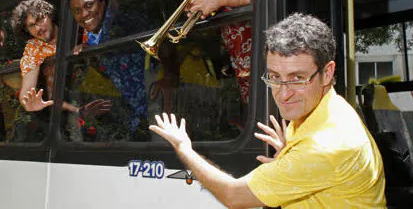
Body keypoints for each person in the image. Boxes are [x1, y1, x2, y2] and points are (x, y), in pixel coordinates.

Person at [150, 13, 386, 208]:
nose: (283, 95)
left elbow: (233, 196)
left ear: (327, 73)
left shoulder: (326, 146)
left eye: (297, 79)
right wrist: (288, 153)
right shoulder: (322, 110)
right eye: (274, 77)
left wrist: (184, 148)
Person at [68, 0, 149, 131]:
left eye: (88, 5)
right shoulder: (92, 37)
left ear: (103, 3)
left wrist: (170, 75)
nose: (84, 14)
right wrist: (91, 54)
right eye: (77, 11)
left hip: (156, 104)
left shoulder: (122, 22)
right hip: (135, 116)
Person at [11, 0, 111, 117]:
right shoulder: (34, 48)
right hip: (79, 102)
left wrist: (86, 49)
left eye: (40, 19)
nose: (38, 28)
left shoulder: (74, 25)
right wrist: (28, 104)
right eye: (32, 25)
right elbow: (26, 92)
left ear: (49, 15)